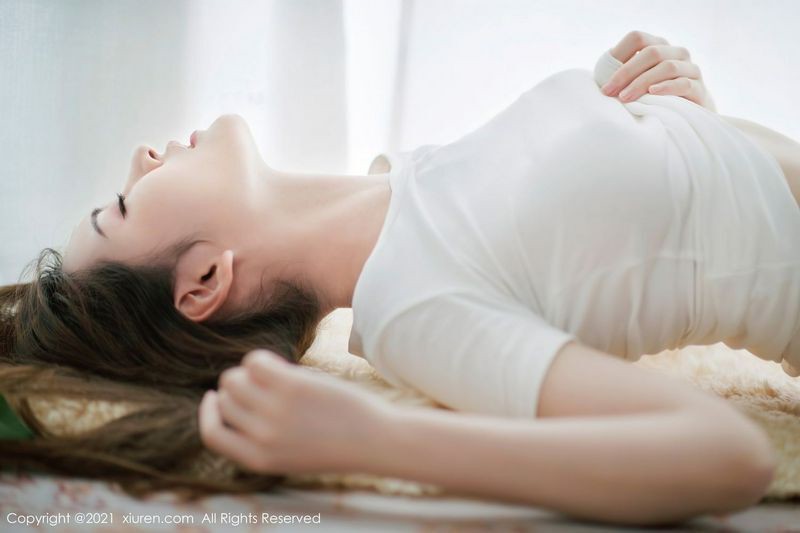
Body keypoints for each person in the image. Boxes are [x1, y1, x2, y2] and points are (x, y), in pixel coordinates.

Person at [0, 30, 797, 525]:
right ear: (203, 279)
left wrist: (696, 128)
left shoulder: (409, 183)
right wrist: (374, 438)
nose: (140, 156)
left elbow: (691, 238)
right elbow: (728, 454)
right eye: (121, 205)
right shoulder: (418, 302)